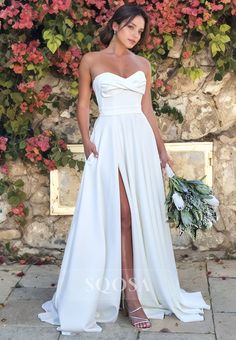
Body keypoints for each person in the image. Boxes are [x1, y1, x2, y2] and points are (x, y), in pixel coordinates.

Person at [38, 4, 210, 335]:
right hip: (107, 140)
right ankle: (128, 293)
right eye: (131, 27)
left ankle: (131, 290)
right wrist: (86, 140)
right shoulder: (91, 60)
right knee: (121, 212)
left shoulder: (142, 64)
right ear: (116, 25)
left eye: (140, 31)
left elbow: (147, 110)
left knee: (137, 215)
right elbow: (84, 104)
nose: (135, 35)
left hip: (139, 142)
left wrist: (161, 149)